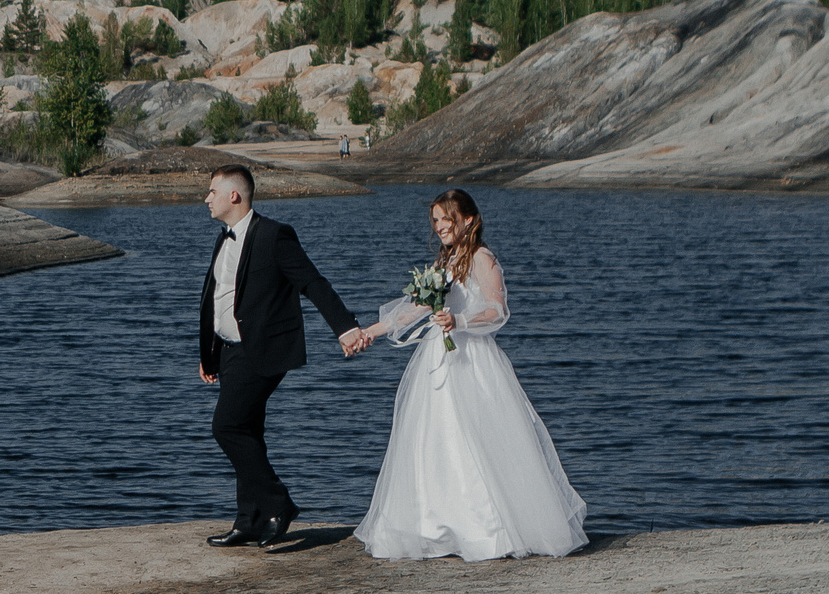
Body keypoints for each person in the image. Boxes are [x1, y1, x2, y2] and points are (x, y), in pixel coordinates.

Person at [339, 189, 588, 561]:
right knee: (433, 438)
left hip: (471, 359)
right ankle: (436, 526)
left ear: (468, 219)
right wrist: (367, 333)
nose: (439, 226)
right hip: (436, 359)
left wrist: (460, 320)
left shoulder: (482, 258)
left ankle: (485, 530)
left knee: (475, 439)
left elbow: (497, 310)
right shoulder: (446, 260)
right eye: (435, 220)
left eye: (446, 219)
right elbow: (414, 309)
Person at [197, 165, 363, 546]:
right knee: (247, 429)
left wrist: (345, 327)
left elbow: (311, 282)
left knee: (227, 427)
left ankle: (278, 503)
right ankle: (249, 519)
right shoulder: (223, 239)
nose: (206, 199)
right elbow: (216, 300)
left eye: (212, 192)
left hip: (263, 349)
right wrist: (209, 353)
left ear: (234, 196)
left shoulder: (275, 235)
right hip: (228, 351)